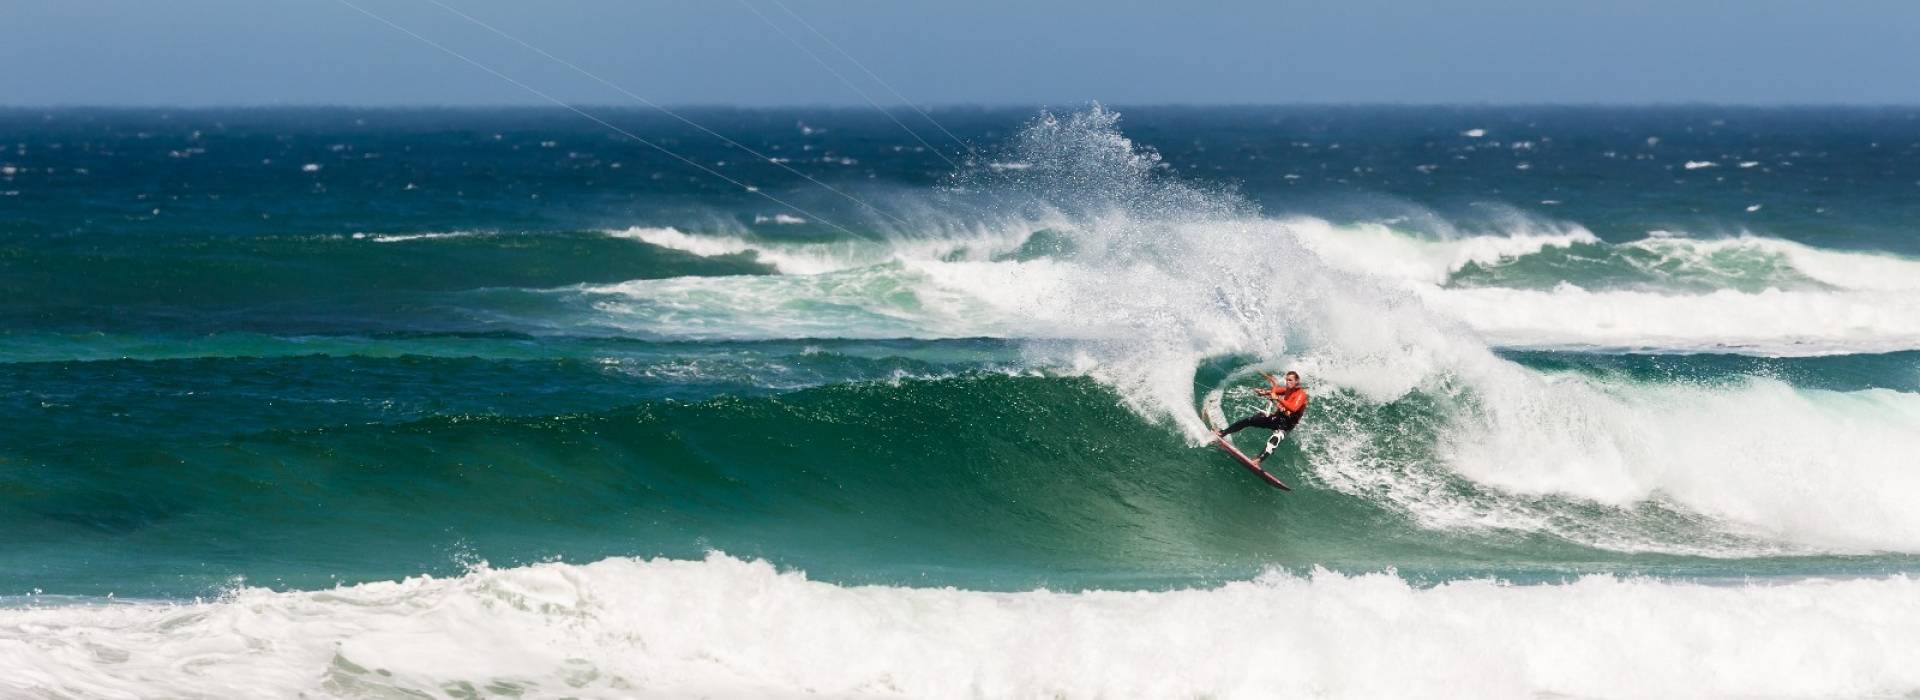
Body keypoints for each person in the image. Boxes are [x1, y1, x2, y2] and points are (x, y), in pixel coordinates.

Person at [1216, 370, 1309, 465]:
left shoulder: (1301, 395)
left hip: (1287, 424)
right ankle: (1223, 433)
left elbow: (1293, 408)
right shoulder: (1288, 390)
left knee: (1275, 438)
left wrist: (1277, 398)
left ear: (1297, 381)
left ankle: (1258, 460)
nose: (1287, 382)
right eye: (1287, 380)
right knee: (1249, 420)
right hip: (1277, 418)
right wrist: (1263, 392)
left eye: (1290, 380)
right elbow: (1274, 391)